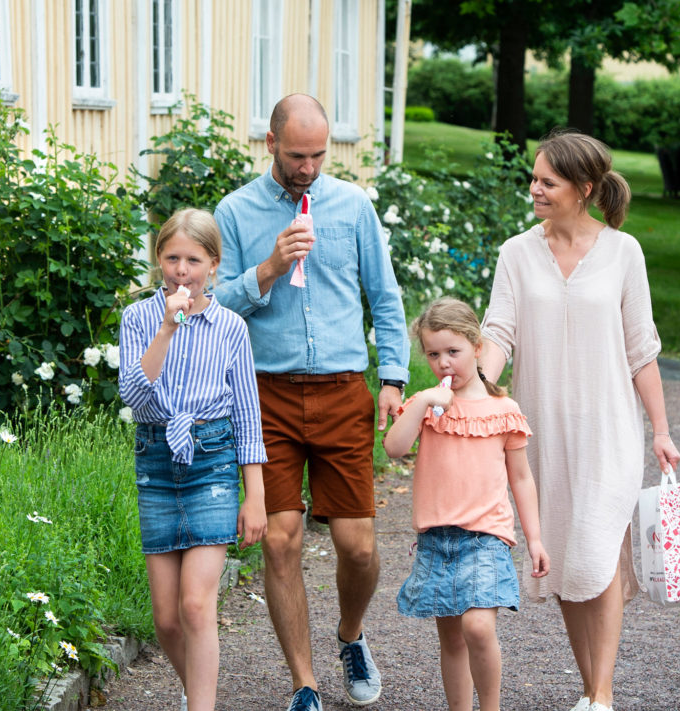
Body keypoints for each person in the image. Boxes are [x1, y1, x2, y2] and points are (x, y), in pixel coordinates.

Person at [213, 94, 410, 711]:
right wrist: (268, 268)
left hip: (342, 388)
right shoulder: (236, 211)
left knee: (358, 546)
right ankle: (305, 683)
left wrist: (394, 378)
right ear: (269, 143)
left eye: (319, 154)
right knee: (281, 540)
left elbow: (384, 294)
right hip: (263, 393)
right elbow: (215, 306)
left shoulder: (352, 205)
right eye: (297, 155)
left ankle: (350, 635)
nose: (309, 166)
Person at [479, 130, 680, 711]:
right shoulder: (517, 253)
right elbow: (498, 332)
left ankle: (603, 693)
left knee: (600, 555)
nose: (535, 189)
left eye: (548, 181)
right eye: (535, 178)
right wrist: (473, 389)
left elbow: (641, 348)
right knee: (564, 562)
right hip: (541, 431)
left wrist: (661, 430)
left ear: (584, 189)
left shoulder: (624, 252)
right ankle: (589, 686)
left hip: (608, 428)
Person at [118, 208, 268, 711]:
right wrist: (166, 329)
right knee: (165, 618)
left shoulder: (230, 328)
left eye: (193, 260)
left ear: (213, 264)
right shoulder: (138, 318)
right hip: (156, 459)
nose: (182, 270)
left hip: (212, 462)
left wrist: (257, 497)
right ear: (158, 259)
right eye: (172, 258)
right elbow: (135, 398)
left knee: (196, 603)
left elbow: (248, 415)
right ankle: (194, 692)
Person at [383, 297, 550, 711]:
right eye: (433, 354)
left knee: (477, 627)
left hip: (486, 538)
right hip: (436, 540)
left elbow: (521, 478)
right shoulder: (427, 406)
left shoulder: (502, 410)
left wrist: (535, 539)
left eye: (453, 352)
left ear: (477, 347)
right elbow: (393, 449)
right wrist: (422, 402)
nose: (444, 363)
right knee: (452, 639)